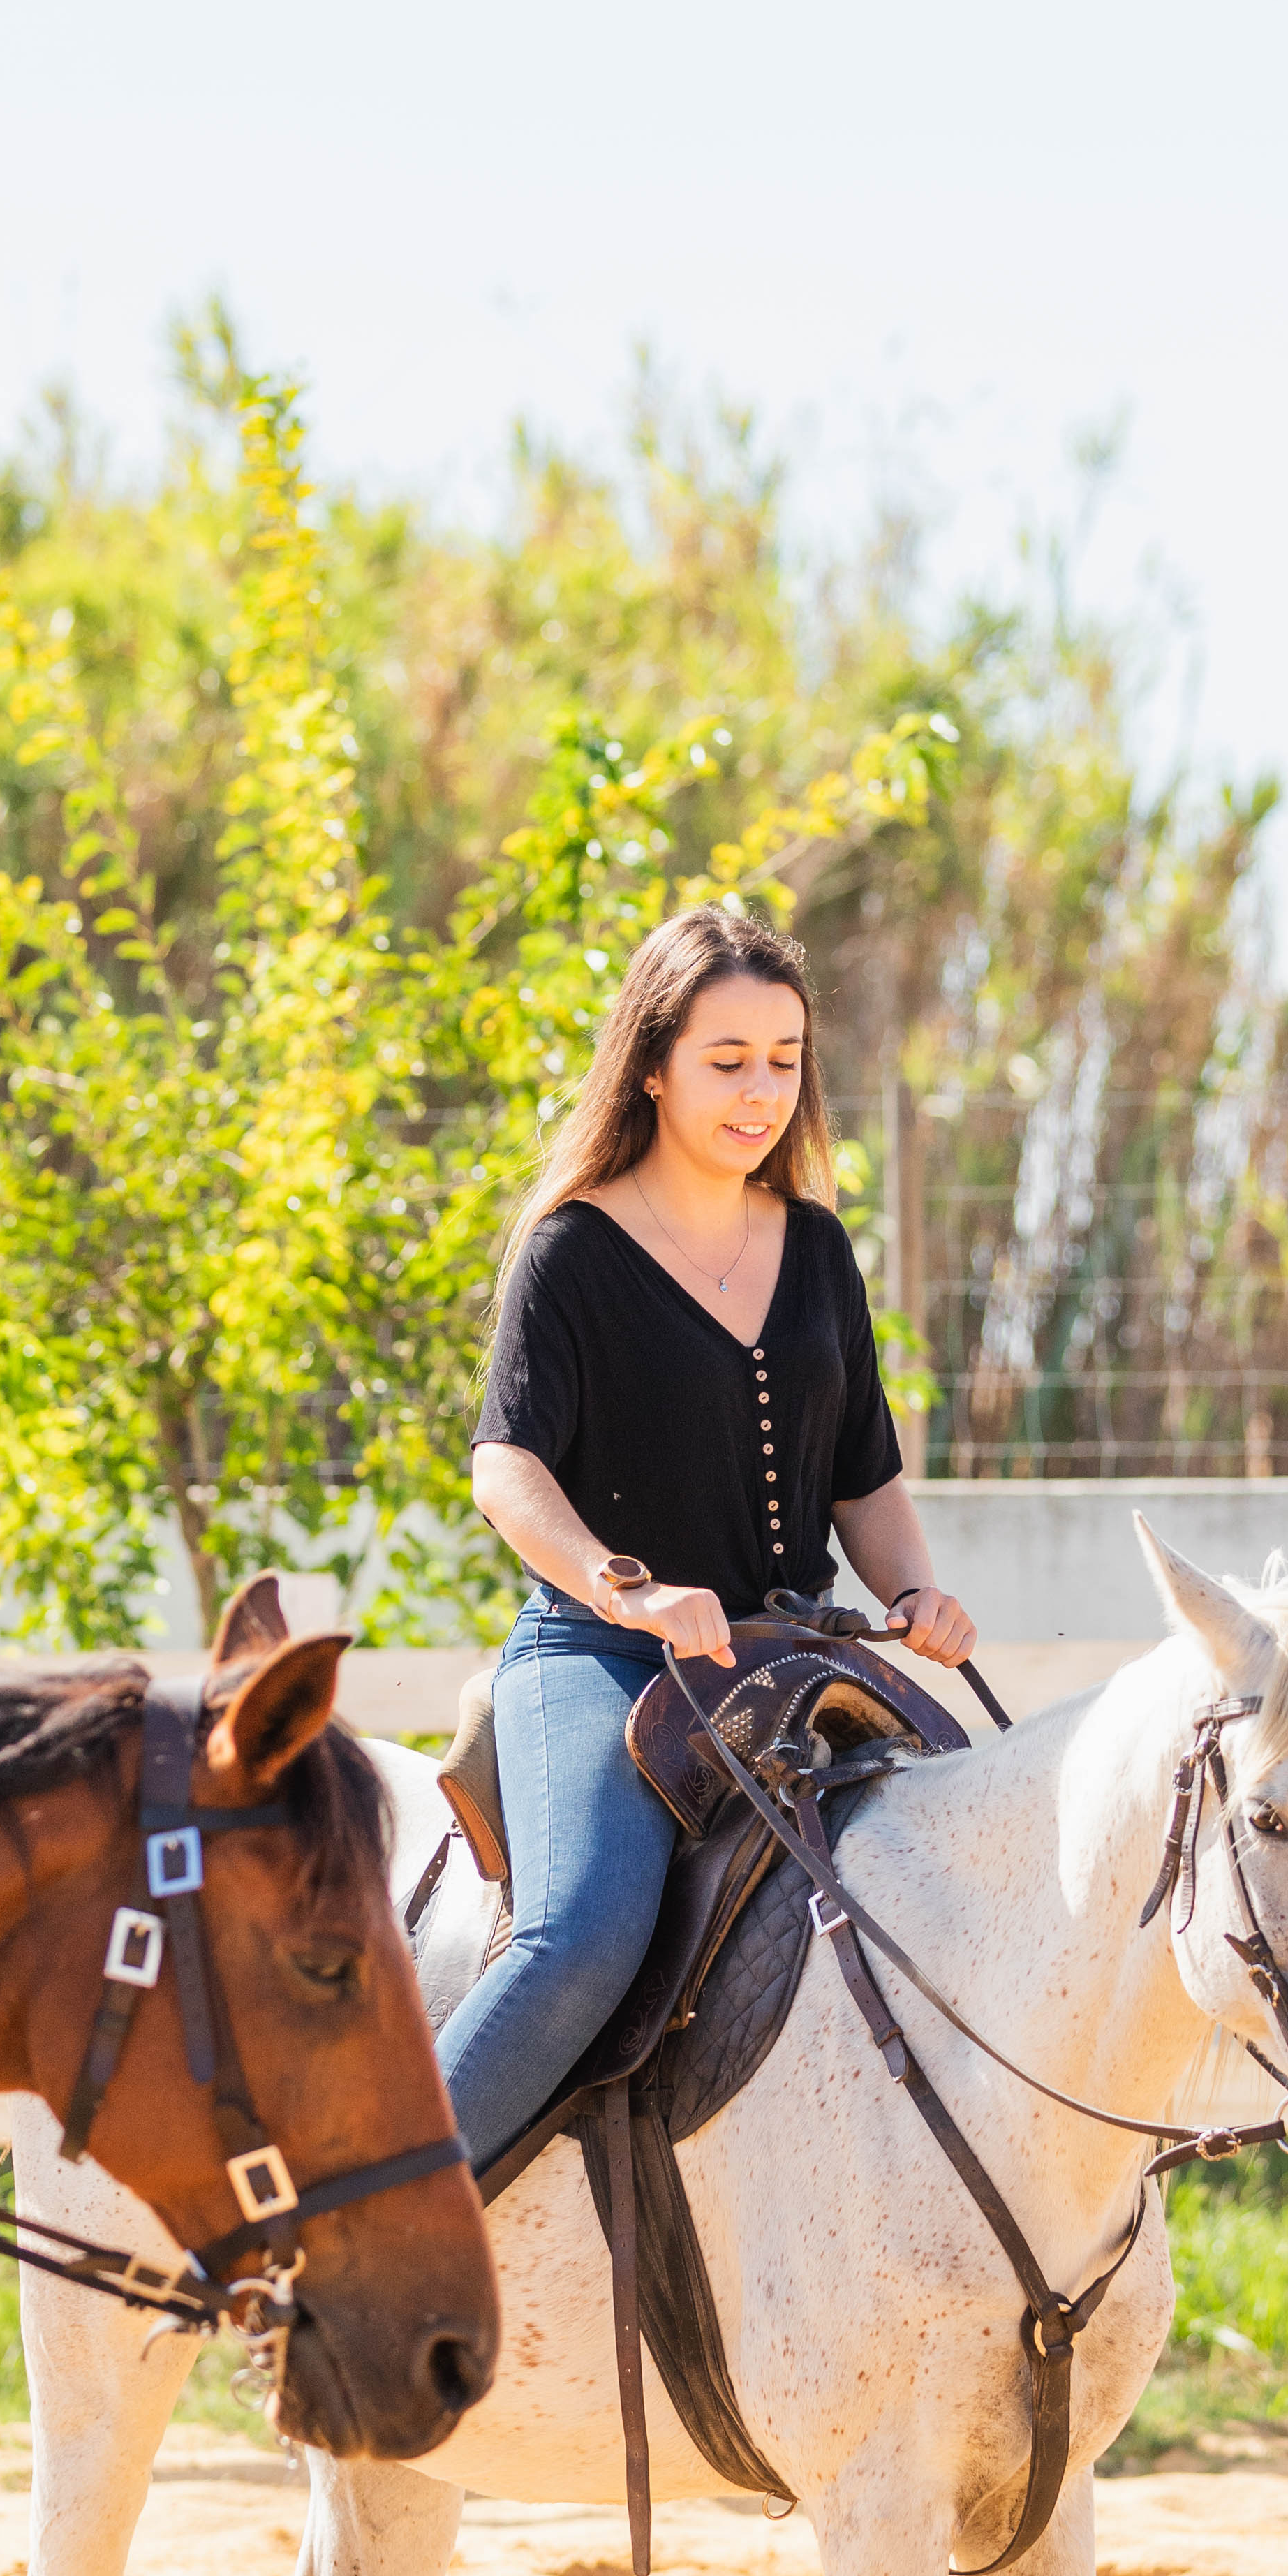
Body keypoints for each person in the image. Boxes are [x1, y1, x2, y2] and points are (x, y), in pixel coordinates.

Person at [443, 901, 977, 2174]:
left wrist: (920, 1595)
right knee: (577, 1935)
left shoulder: (820, 1252)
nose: (761, 1092)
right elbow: (504, 1470)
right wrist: (623, 1590)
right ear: (651, 1064)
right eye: (726, 1060)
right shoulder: (569, 1251)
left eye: (784, 1060)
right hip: (601, 1661)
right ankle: (362, 2241)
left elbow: (866, 1483)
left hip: (788, 1666)